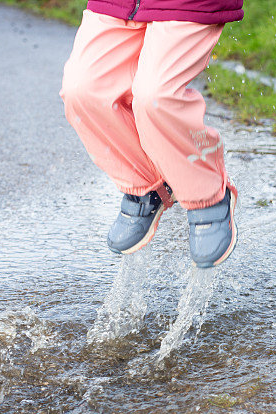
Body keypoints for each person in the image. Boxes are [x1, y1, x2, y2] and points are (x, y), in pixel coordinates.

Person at [60, 0, 242, 268]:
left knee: (155, 97)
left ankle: (206, 193)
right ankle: (148, 185)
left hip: (186, 4)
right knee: (82, 90)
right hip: (118, 4)